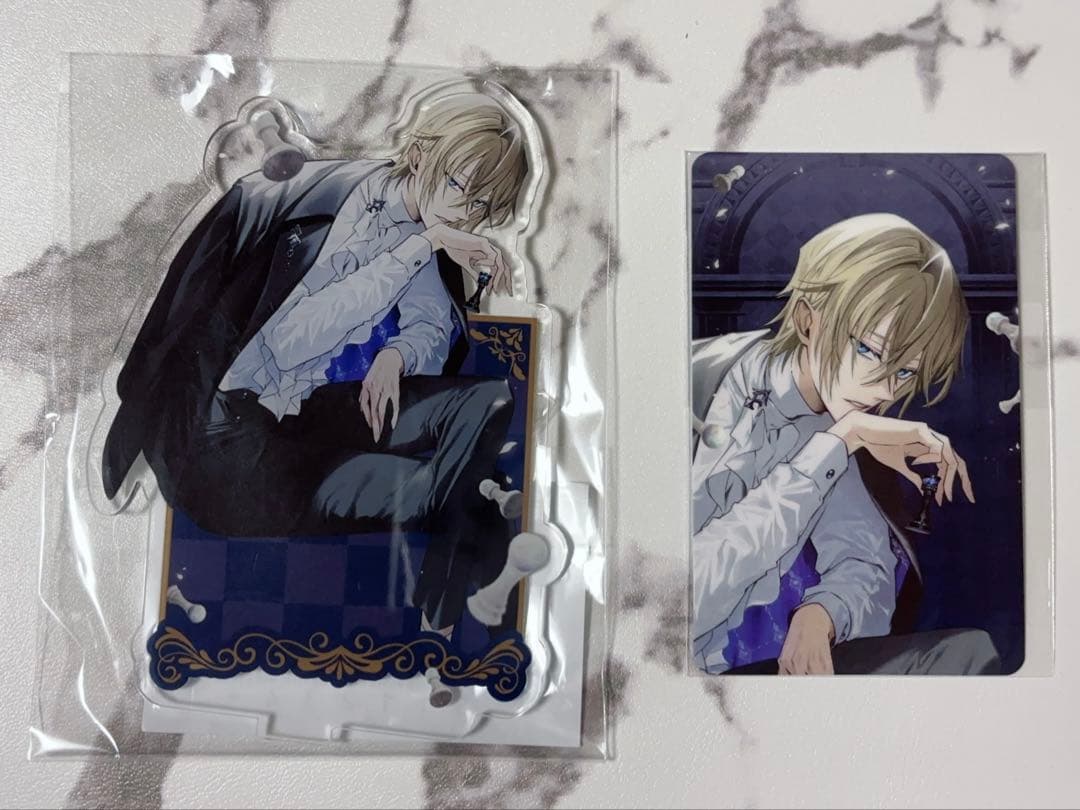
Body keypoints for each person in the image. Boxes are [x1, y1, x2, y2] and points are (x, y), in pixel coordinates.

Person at [103, 92, 531, 639]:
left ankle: (439, 607)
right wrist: (424, 245)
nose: (463, 215)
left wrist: (395, 356)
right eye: (457, 186)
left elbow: (431, 325)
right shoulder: (339, 209)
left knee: (487, 399)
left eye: (480, 207)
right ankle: (443, 626)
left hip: (298, 416)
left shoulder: (418, 222)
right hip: (225, 457)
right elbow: (294, 340)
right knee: (448, 492)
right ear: (421, 155)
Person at [691, 213, 1001, 675]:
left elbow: (865, 562)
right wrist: (840, 441)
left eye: (905, 372)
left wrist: (823, 613)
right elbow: (678, 599)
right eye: (869, 350)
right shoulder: (703, 388)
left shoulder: (836, 413)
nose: (884, 389)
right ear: (807, 320)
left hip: (758, 682)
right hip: (668, 680)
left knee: (968, 651)